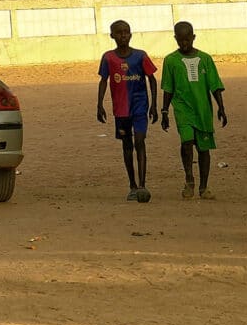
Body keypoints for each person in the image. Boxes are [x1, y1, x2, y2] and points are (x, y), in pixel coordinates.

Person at [158, 21, 227, 199]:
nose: (184, 43)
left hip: (203, 110)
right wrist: (164, 111)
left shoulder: (205, 59)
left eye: (187, 39)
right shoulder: (171, 60)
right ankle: (189, 179)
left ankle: (204, 187)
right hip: (183, 109)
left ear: (193, 37)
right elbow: (168, 88)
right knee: (187, 143)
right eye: (180, 40)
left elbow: (215, 85)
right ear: (175, 39)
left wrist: (221, 107)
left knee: (204, 149)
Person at [95, 21, 159, 202]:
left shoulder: (140, 56)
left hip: (140, 106)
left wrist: (154, 104)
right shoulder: (108, 58)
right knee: (127, 145)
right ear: (112, 36)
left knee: (140, 141)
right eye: (119, 33)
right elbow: (103, 81)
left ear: (131, 35)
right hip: (121, 109)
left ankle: (142, 184)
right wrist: (99, 104)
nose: (123, 36)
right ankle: (132, 184)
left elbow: (152, 79)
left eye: (126, 32)